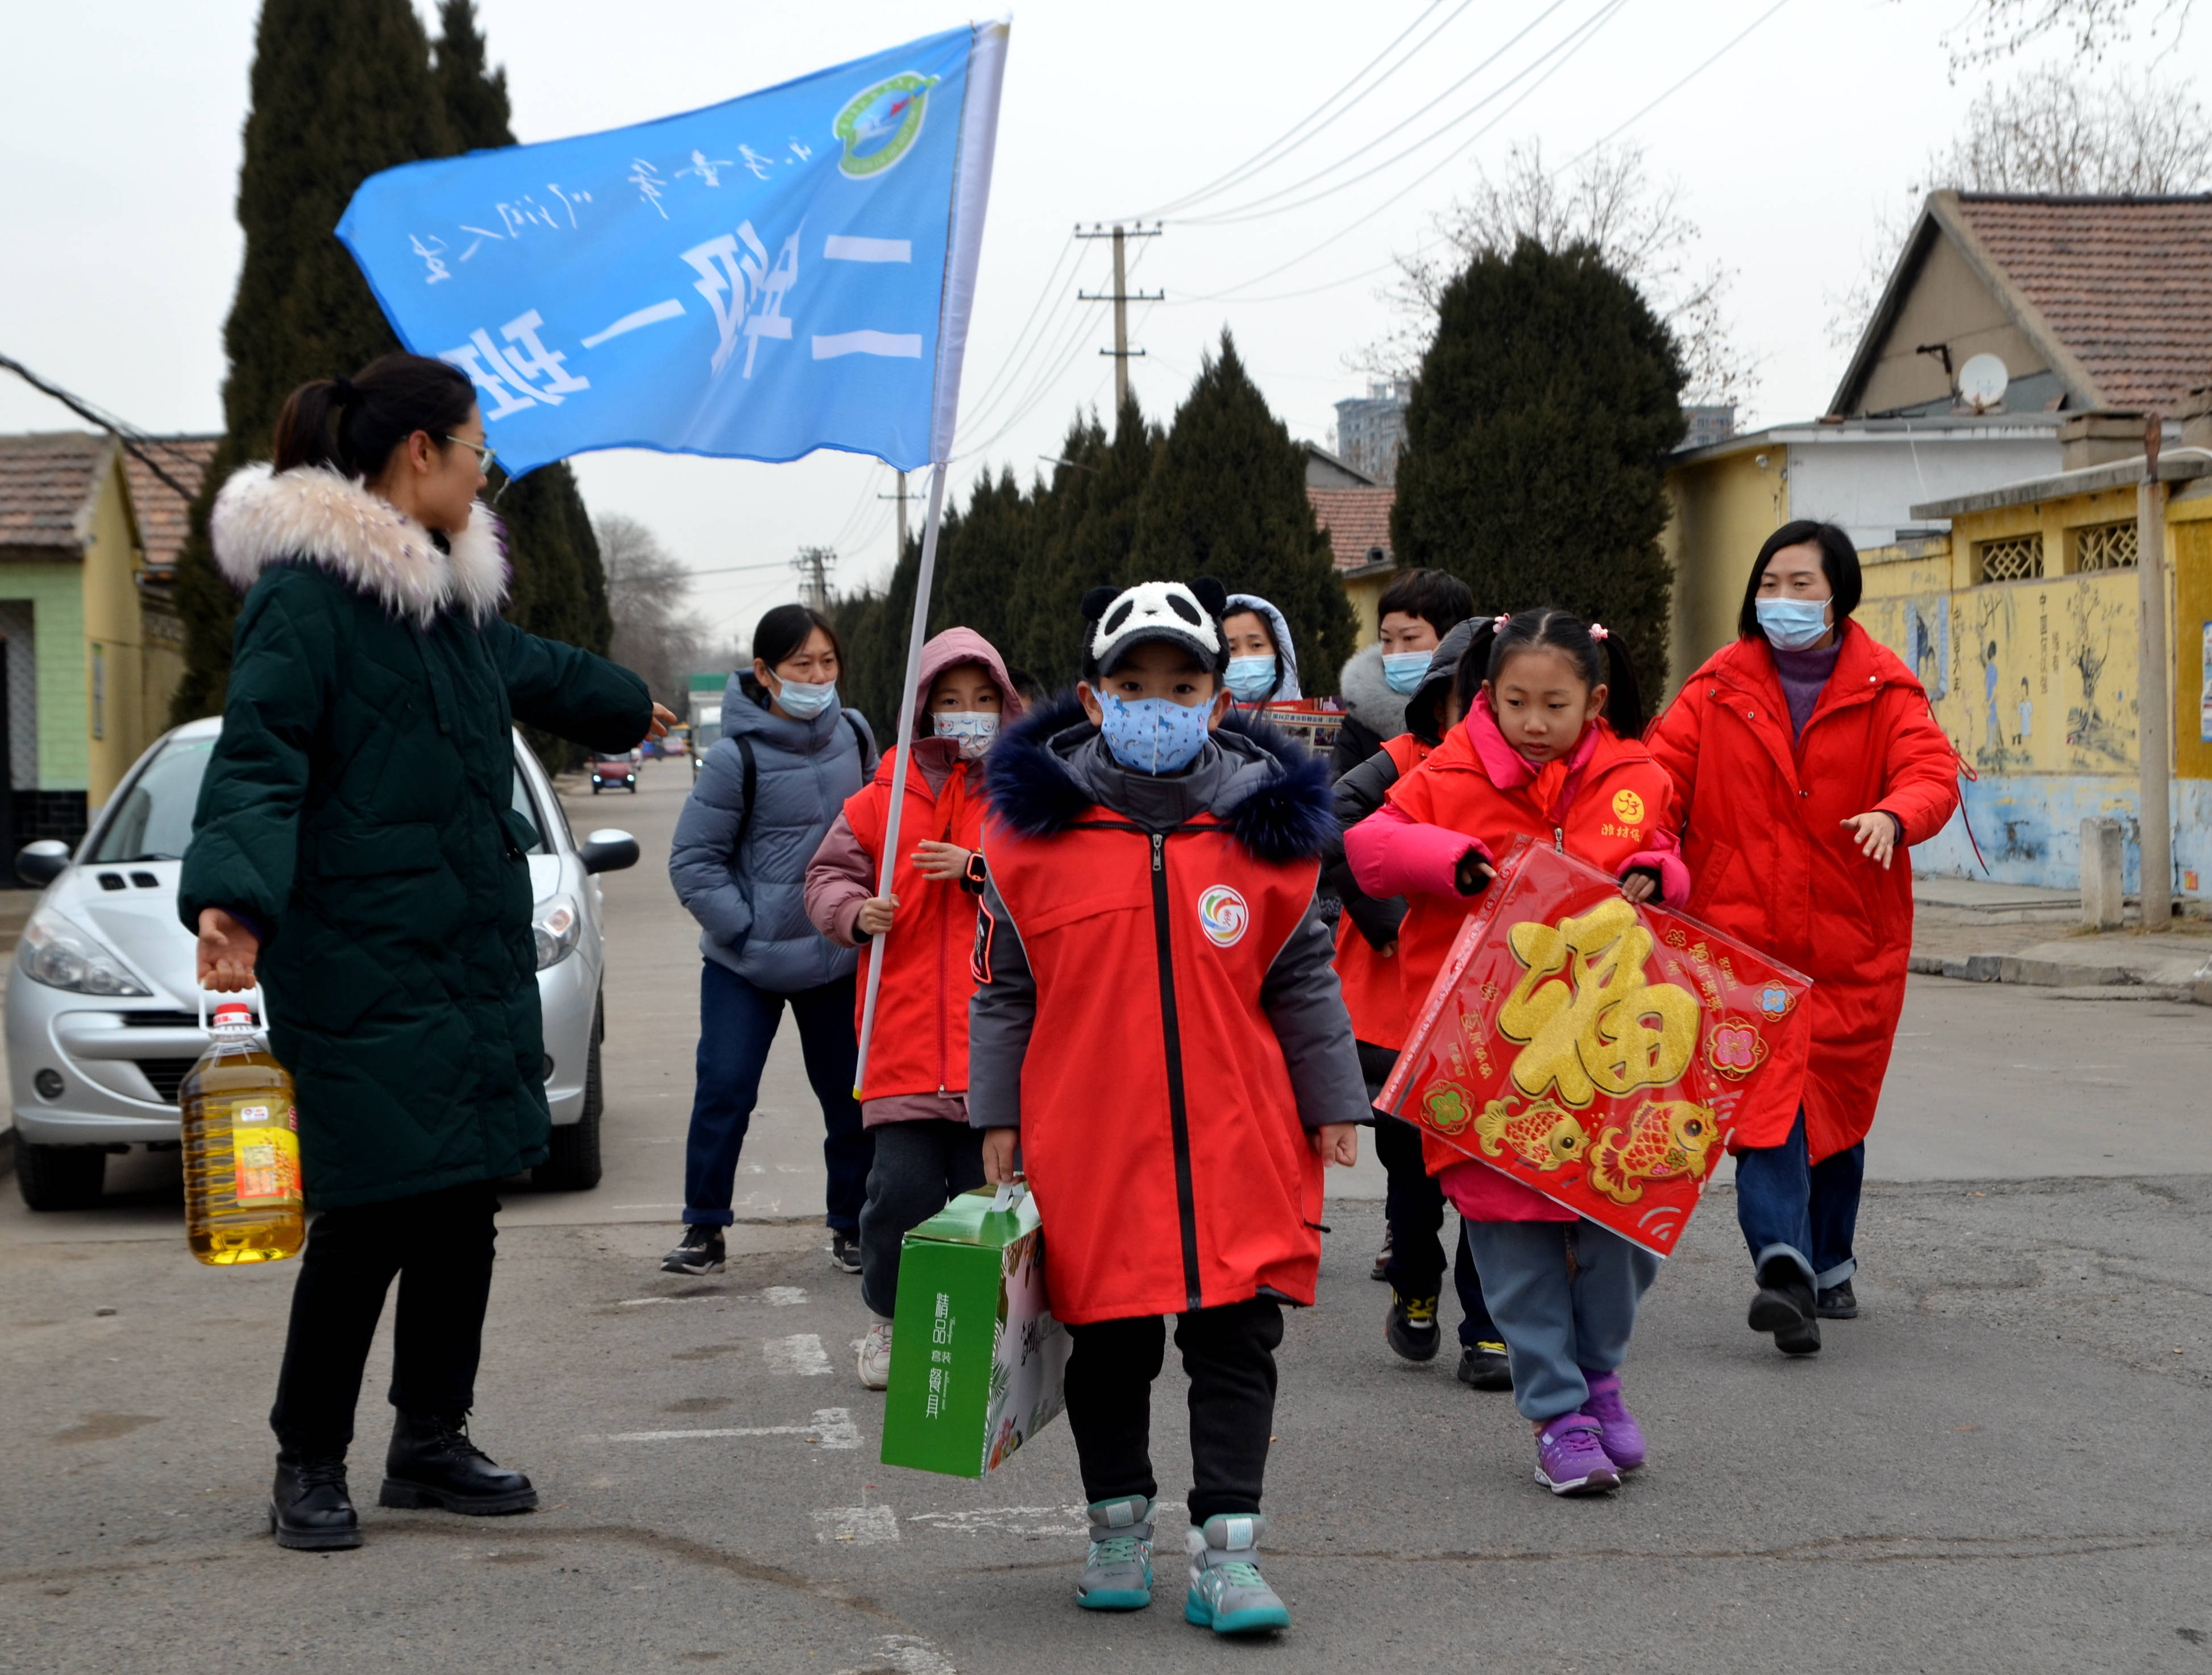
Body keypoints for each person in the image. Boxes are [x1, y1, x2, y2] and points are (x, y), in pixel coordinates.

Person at [180, 354, 663, 1551]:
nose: (485, 471)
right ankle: (307, 1460)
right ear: (419, 458)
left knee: (461, 1212)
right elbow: (259, 754)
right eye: (477, 450)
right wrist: (234, 903)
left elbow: (532, 668)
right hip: (359, 958)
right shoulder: (306, 598)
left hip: (462, 954)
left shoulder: (449, 603)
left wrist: (625, 704)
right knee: (367, 1214)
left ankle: (429, 1440)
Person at [969, 578, 1366, 1633]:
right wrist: (995, 1115)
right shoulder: (1029, 839)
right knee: (1110, 1341)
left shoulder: (1264, 833)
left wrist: (1336, 1102)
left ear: (1219, 699)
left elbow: (1305, 975)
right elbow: (1006, 988)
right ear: (1093, 701)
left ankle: (1227, 1553)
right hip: (1090, 1140)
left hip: (1240, 1137)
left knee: (1238, 1337)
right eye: (1133, 684)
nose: (1159, 702)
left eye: (1181, 684)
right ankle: (1116, 1526)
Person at [1346, 608, 1686, 1495]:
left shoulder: (1638, 775)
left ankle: (1600, 1379)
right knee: (1515, 1245)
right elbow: (1368, 847)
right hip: (1481, 1062)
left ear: (1595, 700)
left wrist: (1662, 873)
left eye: (1554, 703)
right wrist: (1442, 857)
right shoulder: (1445, 771)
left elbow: (1665, 854)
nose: (1532, 722)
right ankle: (1557, 1414)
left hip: (1607, 1057)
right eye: (1513, 701)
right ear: (1484, 696)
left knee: (1622, 1227)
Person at [1646, 522, 1958, 1355]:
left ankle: (1829, 1259)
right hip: (1737, 943)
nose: (1779, 600)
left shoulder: (1887, 690)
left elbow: (1930, 773)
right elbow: (1655, 777)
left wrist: (1895, 814)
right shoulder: (1714, 688)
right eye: (1769, 583)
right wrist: (1643, 847)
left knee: (1835, 1110)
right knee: (1763, 1108)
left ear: (1838, 595)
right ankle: (1781, 1266)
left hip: (1847, 941)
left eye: (1800, 584)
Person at [802, 628, 1024, 1388]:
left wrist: (978, 869)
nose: (968, 714)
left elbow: (1054, 888)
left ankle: (975, 1326)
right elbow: (825, 874)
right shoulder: (881, 798)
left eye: (983, 699)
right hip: (896, 1044)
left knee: (979, 1199)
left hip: (991, 1051)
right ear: (924, 711)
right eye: (950, 701)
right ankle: (891, 1319)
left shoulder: (1028, 796)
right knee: (895, 1194)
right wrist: (855, 911)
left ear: (1006, 704)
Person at [1321, 620, 1509, 1391]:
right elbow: (1330, 825)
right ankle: (1415, 1280)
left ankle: (1488, 1326)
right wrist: (1385, 918)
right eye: (1476, 698)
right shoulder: (1404, 763)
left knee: (1492, 1172)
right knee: (1413, 1171)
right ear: (1439, 701)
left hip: (1502, 1017)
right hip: (1405, 1015)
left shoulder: (1546, 778)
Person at [666, 606, 878, 1277]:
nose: (818, 676)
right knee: (724, 1089)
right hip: (747, 965)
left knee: (850, 1098)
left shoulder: (854, 734)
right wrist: (747, 928)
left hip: (837, 956)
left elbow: (881, 829)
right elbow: (692, 863)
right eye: (800, 665)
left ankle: (851, 1226)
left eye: (827, 662)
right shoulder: (736, 758)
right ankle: (705, 1229)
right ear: (765, 673)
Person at [1331, 568, 1475, 776]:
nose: (1396, 653)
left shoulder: (1497, 707)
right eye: (1387, 640)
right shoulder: (1361, 718)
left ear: (1453, 637)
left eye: (1409, 638)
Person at [1218, 592, 1301, 710]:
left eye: (1256, 645)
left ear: (1278, 655)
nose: (1244, 657)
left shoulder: (1316, 721)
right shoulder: (1198, 724)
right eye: (1231, 649)